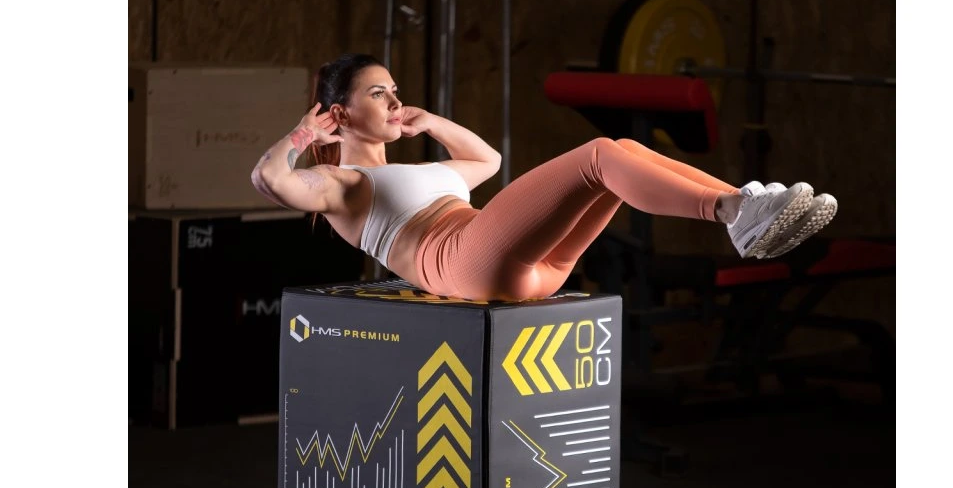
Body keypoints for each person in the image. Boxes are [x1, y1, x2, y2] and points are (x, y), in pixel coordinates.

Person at [251, 53, 837, 302]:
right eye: (379, 93)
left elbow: (487, 162)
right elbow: (269, 178)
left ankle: (739, 206)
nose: (395, 101)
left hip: (532, 271)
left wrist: (432, 122)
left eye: (395, 90)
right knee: (599, 156)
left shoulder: (419, 170)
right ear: (340, 113)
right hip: (462, 261)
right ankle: (735, 213)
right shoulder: (344, 184)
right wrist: (303, 135)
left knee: (622, 152)